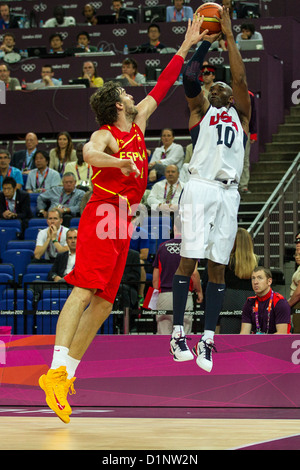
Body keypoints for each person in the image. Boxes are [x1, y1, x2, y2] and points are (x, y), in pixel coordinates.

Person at [38, 15, 210, 424]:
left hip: (123, 221)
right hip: (102, 211)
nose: (132, 93)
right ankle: (54, 369)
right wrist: (122, 164)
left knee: (103, 304)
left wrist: (185, 46)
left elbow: (163, 86)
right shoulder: (106, 134)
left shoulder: (140, 120)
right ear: (117, 103)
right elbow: (88, 156)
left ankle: (66, 378)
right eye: (124, 92)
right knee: (82, 293)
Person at [170, 7, 251, 372]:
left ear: (232, 96)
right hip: (200, 186)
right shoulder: (199, 111)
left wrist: (230, 37)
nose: (214, 87)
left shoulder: (242, 113)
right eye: (210, 85)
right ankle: (176, 335)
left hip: (229, 194)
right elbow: (189, 77)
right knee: (189, 260)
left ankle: (206, 340)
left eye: (221, 86)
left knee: (218, 268)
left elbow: (239, 75)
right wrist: (204, 43)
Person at [152, 216, 203, 334]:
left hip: (165, 295)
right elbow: (194, 273)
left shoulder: (162, 247)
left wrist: (157, 294)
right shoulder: (191, 247)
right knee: (183, 335)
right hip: (184, 295)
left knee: (163, 335)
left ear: (174, 227)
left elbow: (155, 279)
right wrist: (199, 291)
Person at [240, 267, 291, 334]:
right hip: (256, 342)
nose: (255, 282)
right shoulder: (249, 302)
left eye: (260, 278)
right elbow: (244, 334)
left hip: (277, 342)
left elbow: (282, 334)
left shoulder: (280, 302)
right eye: (253, 278)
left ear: (269, 281)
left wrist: (261, 342)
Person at [239, 90, 258, 194]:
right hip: (232, 131)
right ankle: (234, 184)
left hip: (246, 131)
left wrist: (253, 132)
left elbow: (253, 114)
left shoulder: (250, 95)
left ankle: (243, 185)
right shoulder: (228, 93)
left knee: (245, 158)